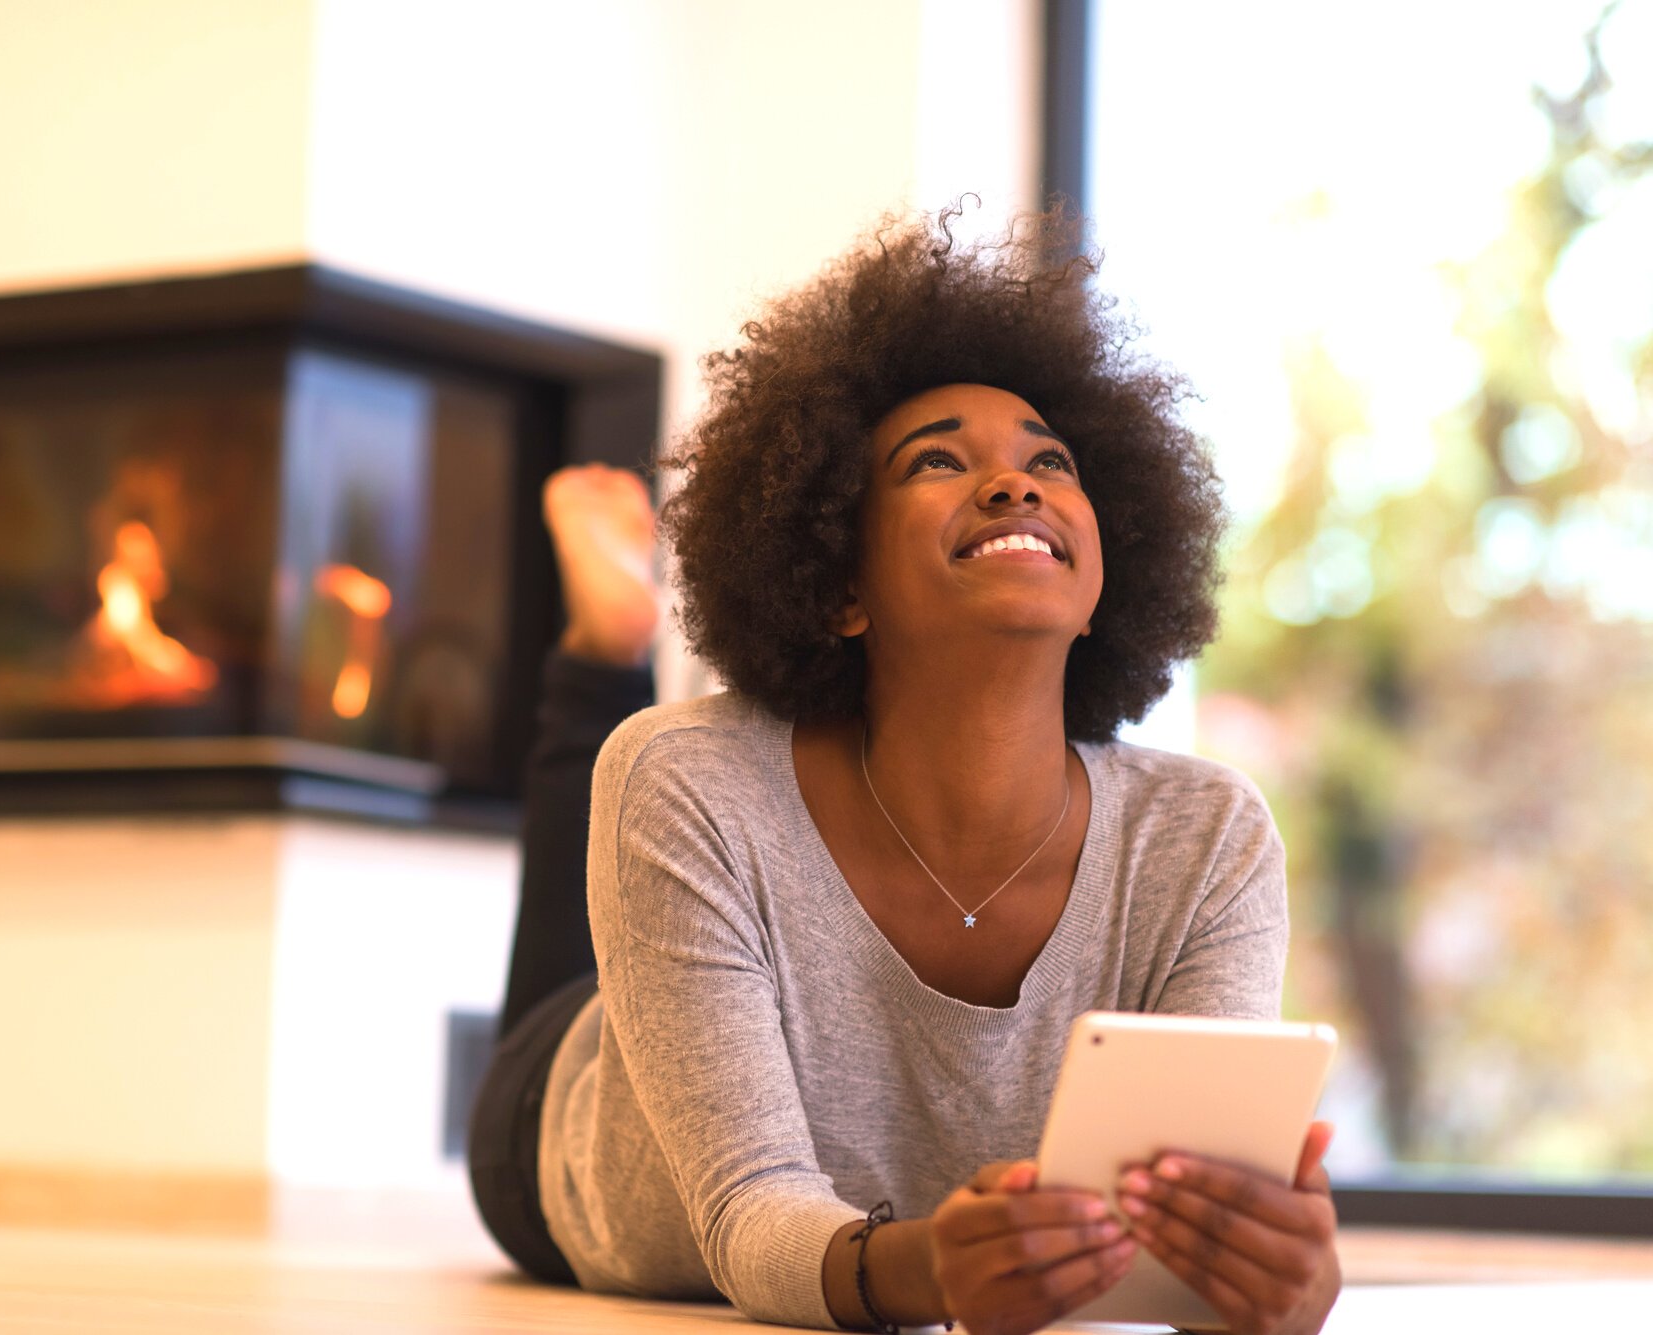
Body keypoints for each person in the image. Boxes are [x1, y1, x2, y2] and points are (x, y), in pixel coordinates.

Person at [470, 206, 1341, 1335]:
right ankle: (601, 652)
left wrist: (1260, 1278)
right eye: (936, 461)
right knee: (568, 941)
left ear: (1104, 577)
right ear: (837, 583)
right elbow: (745, 1215)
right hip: (569, 1141)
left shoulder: (1205, 837)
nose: (1012, 485)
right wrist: (919, 1273)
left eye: (1049, 463)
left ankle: (609, 633)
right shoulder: (693, 778)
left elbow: (1182, 1233)